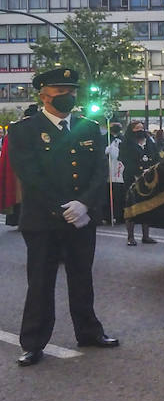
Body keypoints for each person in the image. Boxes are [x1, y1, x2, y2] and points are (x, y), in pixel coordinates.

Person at [9, 67, 119, 366]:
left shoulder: (88, 127)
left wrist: (83, 204)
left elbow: (98, 171)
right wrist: (62, 207)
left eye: (71, 92)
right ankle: (33, 342)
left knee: (82, 278)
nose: (68, 97)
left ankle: (89, 331)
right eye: (61, 93)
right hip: (43, 221)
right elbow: (30, 175)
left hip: (81, 219)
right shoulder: (23, 131)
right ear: (44, 96)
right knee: (41, 282)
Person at [119, 121, 160, 246]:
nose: (140, 130)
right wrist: (138, 171)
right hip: (132, 177)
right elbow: (124, 159)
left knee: (146, 205)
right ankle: (130, 237)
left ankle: (146, 235)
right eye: (137, 128)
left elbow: (156, 156)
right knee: (132, 206)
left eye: (142, 128)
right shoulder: (125, 144)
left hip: (148, 178)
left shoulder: (149, 142)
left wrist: (152, 169)